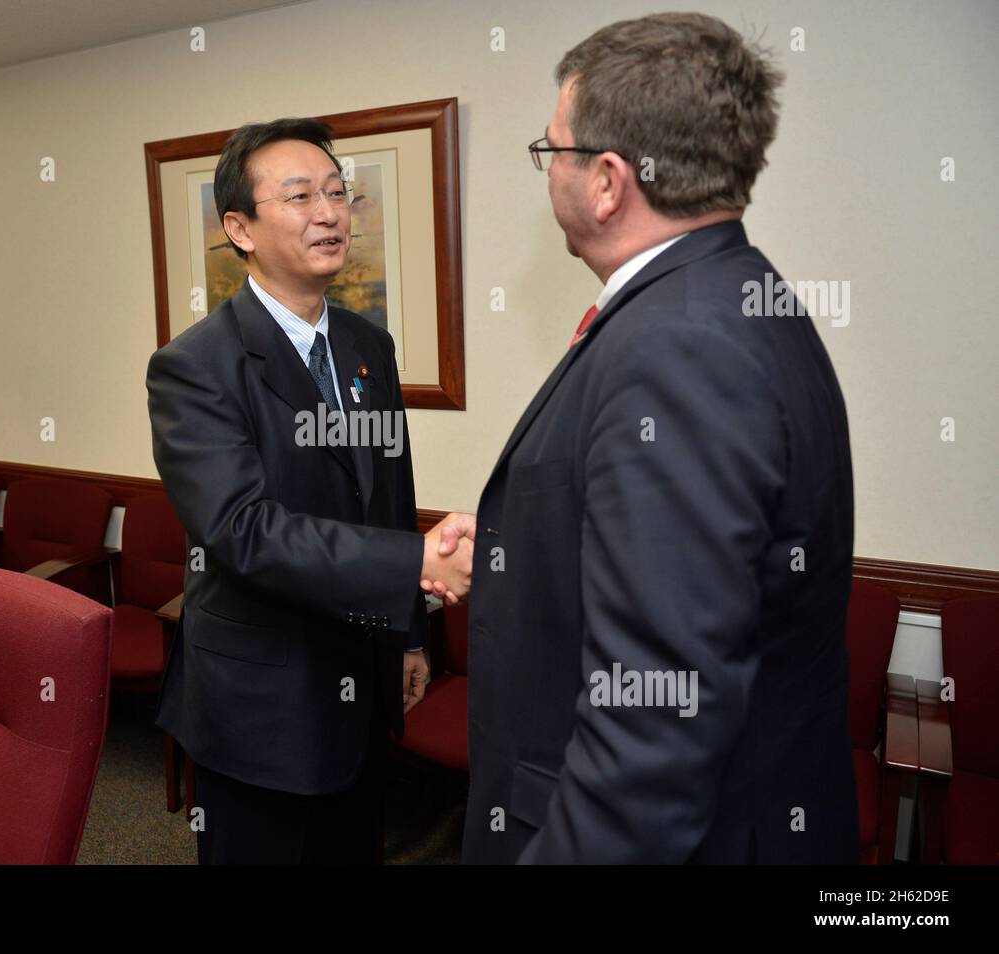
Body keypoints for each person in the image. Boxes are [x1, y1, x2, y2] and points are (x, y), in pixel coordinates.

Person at [445, 13, 858, 863]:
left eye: (549, 150)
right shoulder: (736, 297)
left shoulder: (678, 347)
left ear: (605, 180)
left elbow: (652, 728)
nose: (545, 173)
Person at [146, 118, 473, 864]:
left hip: (362, 682)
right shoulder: (194, 367)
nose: (329, 213)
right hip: (262, 703)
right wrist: (415, 564)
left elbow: (387, 491)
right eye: (299, 196)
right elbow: (244, 531)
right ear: (241, 228)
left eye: (337, 192)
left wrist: (408, 633)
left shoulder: (368, 346)